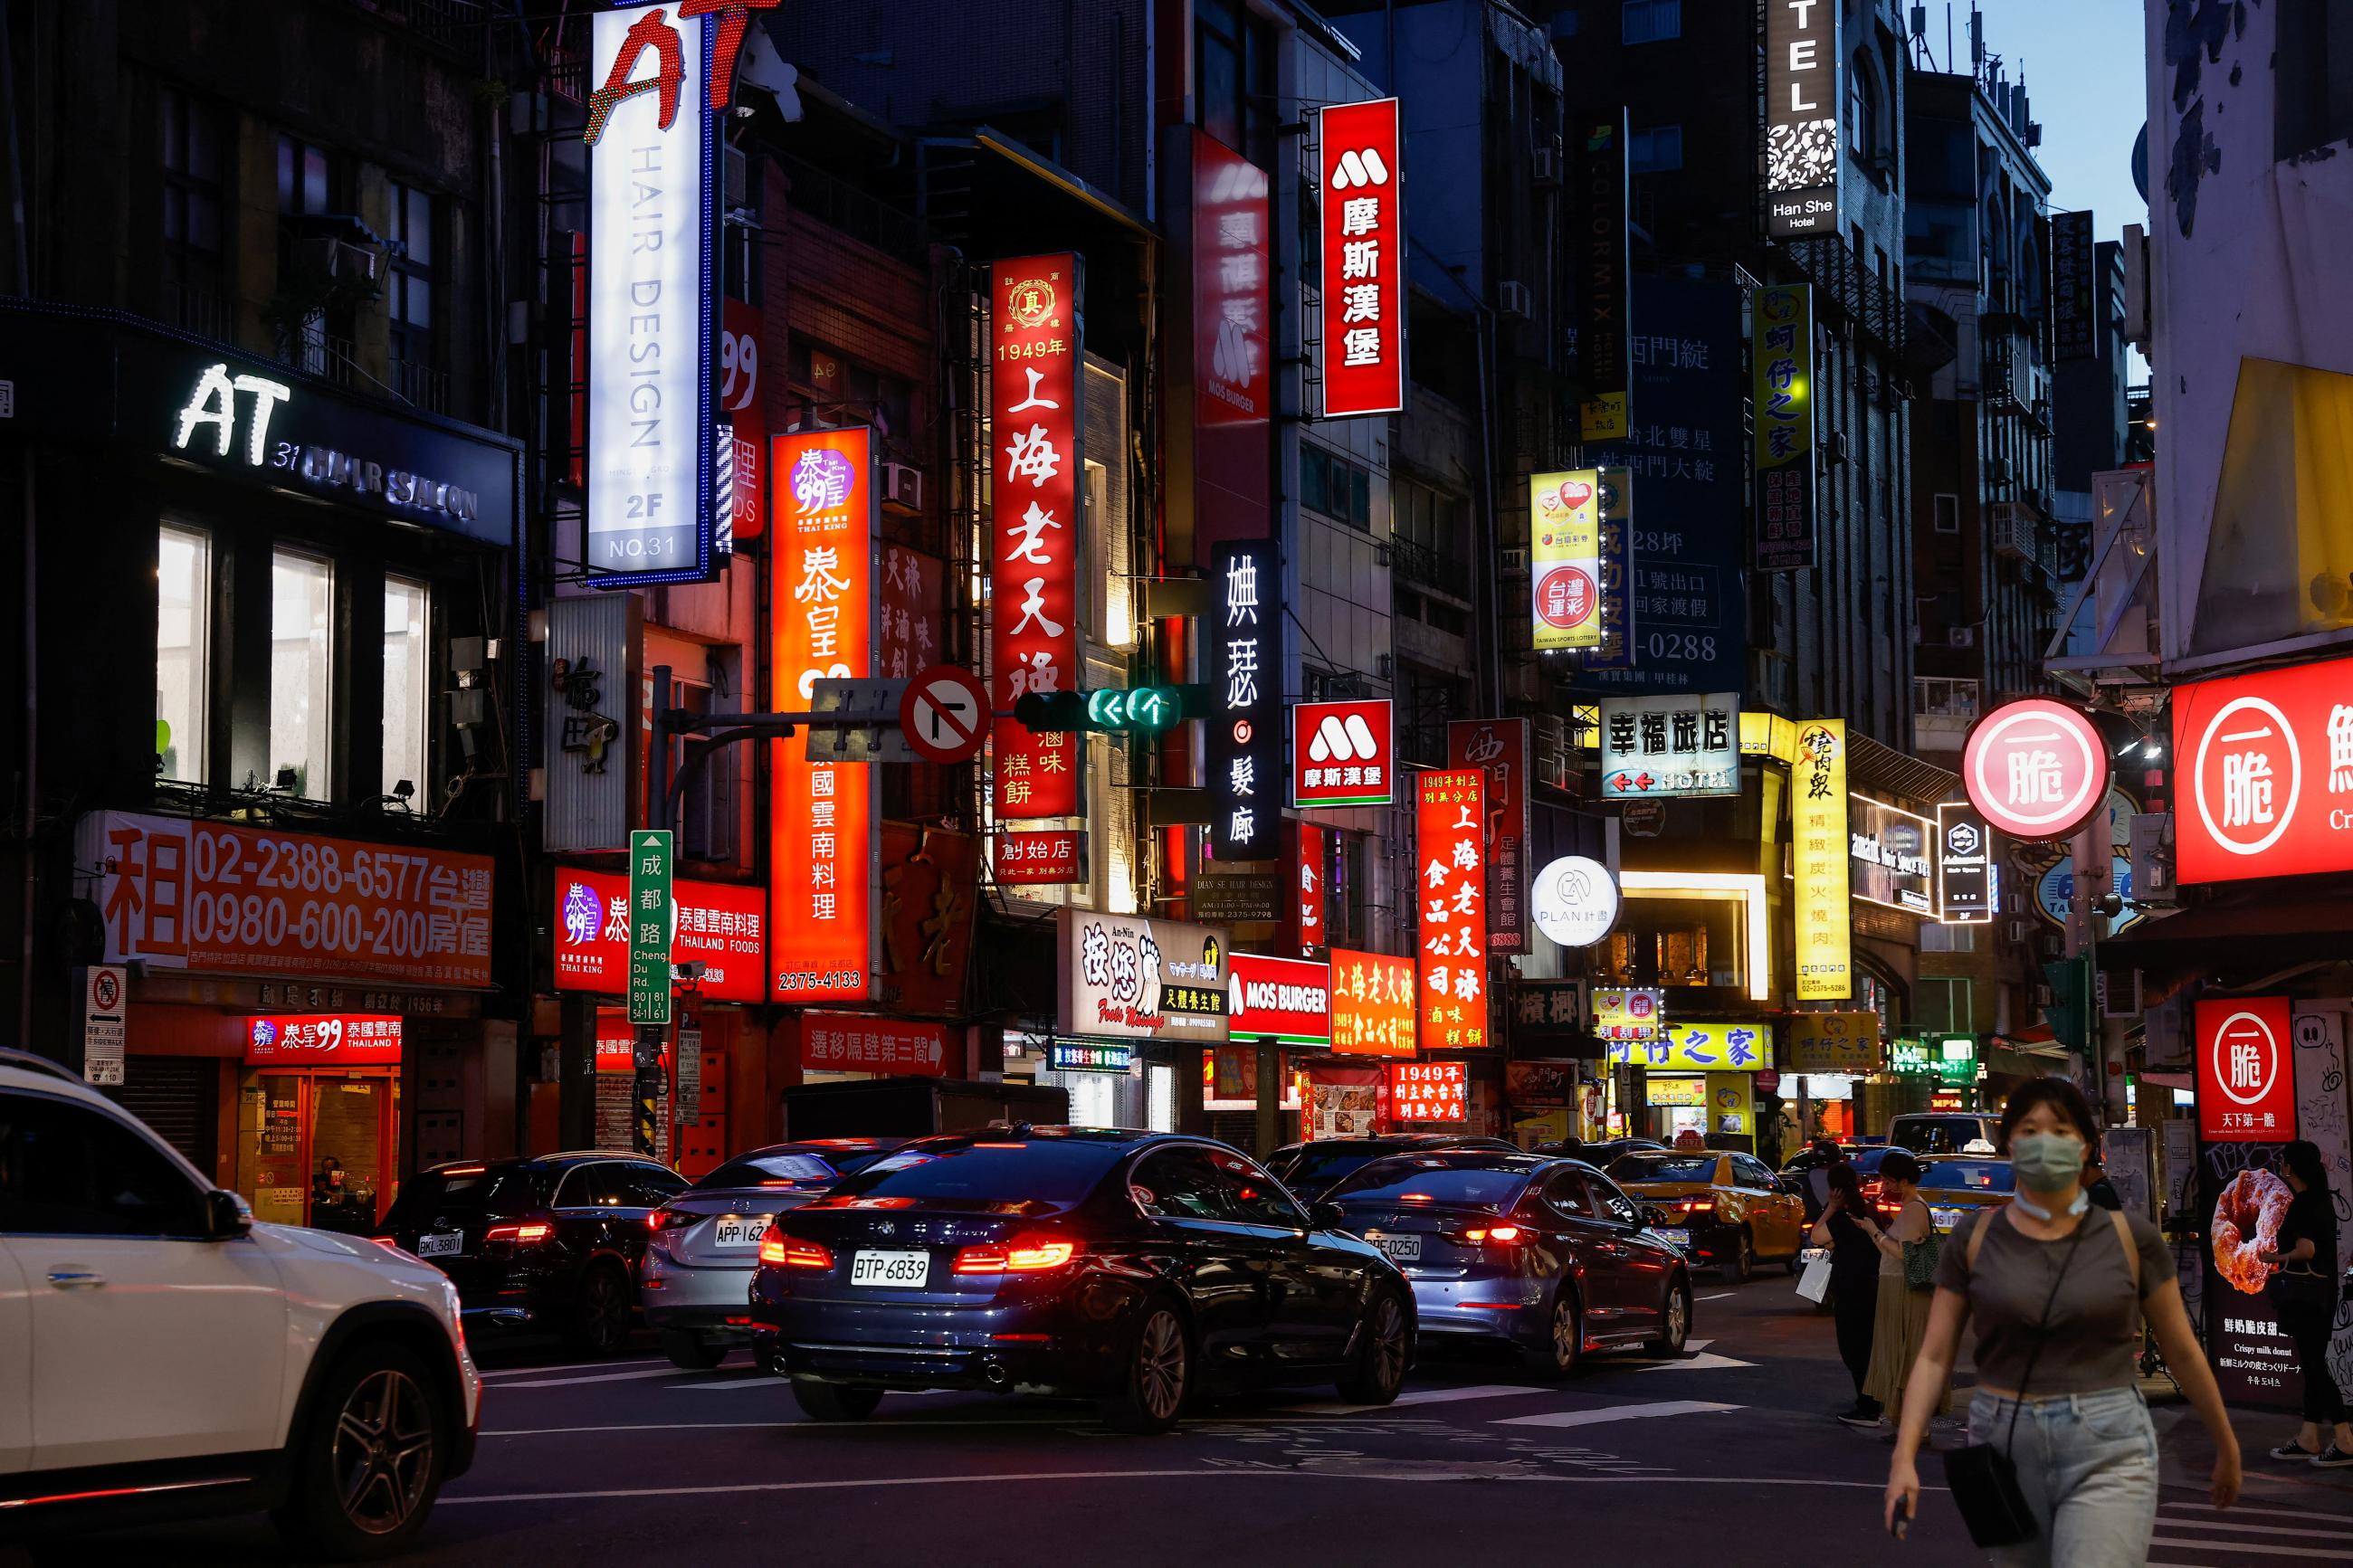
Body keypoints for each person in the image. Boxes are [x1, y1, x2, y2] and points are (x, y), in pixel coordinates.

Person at [1885, 1079, 2242, 1564]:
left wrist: (2225, 1441)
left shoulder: (2130, 1238)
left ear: (2085, 1146)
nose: (2045, 1141)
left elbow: (2181, 1348)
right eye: (2031, 1129)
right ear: (2009, 1144)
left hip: (2108, 1439)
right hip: (2002, 1439)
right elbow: (1934, 1354)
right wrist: (1904, 1455)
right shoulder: (1974, 1238)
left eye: (2060, 1128)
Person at [2260, 1140, 2351, 1467]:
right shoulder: (2320, 1200)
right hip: (2321, 1295)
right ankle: (2309, 1437)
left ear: (2290, 1167)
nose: (2281, 1167)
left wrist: (2274, 1257)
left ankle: (2345, 1437)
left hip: (2304, 1297)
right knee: (2313, 1365)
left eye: (2284, 1162)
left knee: (2314, 1366)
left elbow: (2307, 1250)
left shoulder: (2303, 1204)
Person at [1856, 1150, 1944, 1428]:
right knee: (1901, 1355)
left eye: (1890, 1181)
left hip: (1905, 1289)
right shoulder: (1910, 1206)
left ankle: (1915, 1426)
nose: (1886, 1187)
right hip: (1897, 1287)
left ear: (1904, 1180)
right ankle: (1905, 1423)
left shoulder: (1915, 1208)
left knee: (1906, 1356)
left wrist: (1874, 1231)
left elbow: (1902, 1253)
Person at [1811, 1158, 1881, 1426]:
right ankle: (1871, 1401)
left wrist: (1830, 1207)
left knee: (1854, 1349)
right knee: (1867, 1346)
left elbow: (1818, 1236)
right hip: (1872, 1284)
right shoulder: (1869, 1210)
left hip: (1851, 1288)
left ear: (1835, 1190)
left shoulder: (1842, 1217)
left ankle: (1868, 1406)